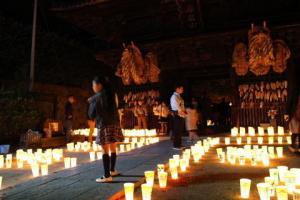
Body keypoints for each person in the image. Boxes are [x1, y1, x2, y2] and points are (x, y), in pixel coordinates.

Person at [88, 76, 123, 183]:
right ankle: (112, 170)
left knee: (105, 150)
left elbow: (91, 114)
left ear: (99, 85)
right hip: (115, 123)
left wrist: (91, 102)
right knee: (113, 148)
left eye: (93, 85)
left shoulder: (96, 97)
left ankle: (107, 176)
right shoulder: (113, 94)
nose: (93, 87)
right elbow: (116, 108)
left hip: (104, 124)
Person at [170, 83, 187, 150]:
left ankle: (179, 144)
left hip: (180, 114)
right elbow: (177, 106)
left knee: (179, 130)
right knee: (177, 130)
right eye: (181, 88)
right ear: (177, 89)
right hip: (177, 114)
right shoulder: (174, 96)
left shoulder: (178, 96)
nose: (182, 90)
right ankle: (176, 145)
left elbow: (181, 106)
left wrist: (184, 112)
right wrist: (182, 112)